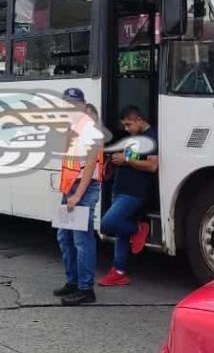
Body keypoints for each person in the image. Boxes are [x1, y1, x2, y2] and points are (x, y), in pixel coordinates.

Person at [54, 87, 105, 306]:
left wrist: (77, 196)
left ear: (83, 105)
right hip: (70, 190)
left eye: (75, 105)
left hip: (84, 189)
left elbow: (90, 166)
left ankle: (86, 289)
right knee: (64, 237)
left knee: (81, 240)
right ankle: (73, 282)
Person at [98, 105, 158, 286]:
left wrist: (126, 160)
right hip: (120, 188)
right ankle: (119, 271)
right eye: (124, 125)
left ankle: (137, 229)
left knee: (108, 223)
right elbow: (132, 158)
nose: (126, 128)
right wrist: (117, 160)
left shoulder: (152, 137)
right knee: (119, 232)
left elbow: (153, 165)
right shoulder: (134, 137)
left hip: (134, 191)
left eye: (129, 124)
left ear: (139, 120)